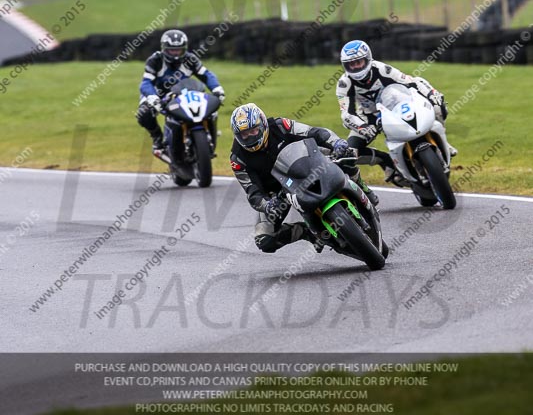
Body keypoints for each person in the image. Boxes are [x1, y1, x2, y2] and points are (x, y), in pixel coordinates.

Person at [229, 103, 378, 255]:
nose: (250, 137)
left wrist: (336, 143)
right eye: (244, 134)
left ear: (263, 124)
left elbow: (313, 132)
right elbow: (252, 192)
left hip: (308, 164)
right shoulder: (237, 158)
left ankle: (363, 187)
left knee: (346, 152)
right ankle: (306, 232)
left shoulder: (281, 125)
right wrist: (267, 205)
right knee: (264, 239)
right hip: (279, 193)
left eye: (253, 130)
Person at [336, 39, 456, 184]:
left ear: (368, 59)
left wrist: (431, 93)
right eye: (351, 64)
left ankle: (444, 143)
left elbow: (411, 81)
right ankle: (385, 161)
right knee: (349, 153)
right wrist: (363, 127)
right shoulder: (344, 83)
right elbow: (346, 113)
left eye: (358, 62)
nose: (355, 67)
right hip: (368, 117)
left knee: (438, 106)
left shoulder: (382, 69)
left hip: (393, 106)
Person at [137, 29, 225, 156]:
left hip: (183, 92)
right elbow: (146, 82)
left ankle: (209, 136)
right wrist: (152, 97)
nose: (175, 54)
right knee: (143, 113)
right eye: (172, 50)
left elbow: (206, 75)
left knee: (211, 110)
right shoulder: (155, 60)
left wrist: (217, 89)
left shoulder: (191, 59)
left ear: (185, 48)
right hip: (158, 94)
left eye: (179, 50)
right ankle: (157, 138)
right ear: (164, 49)